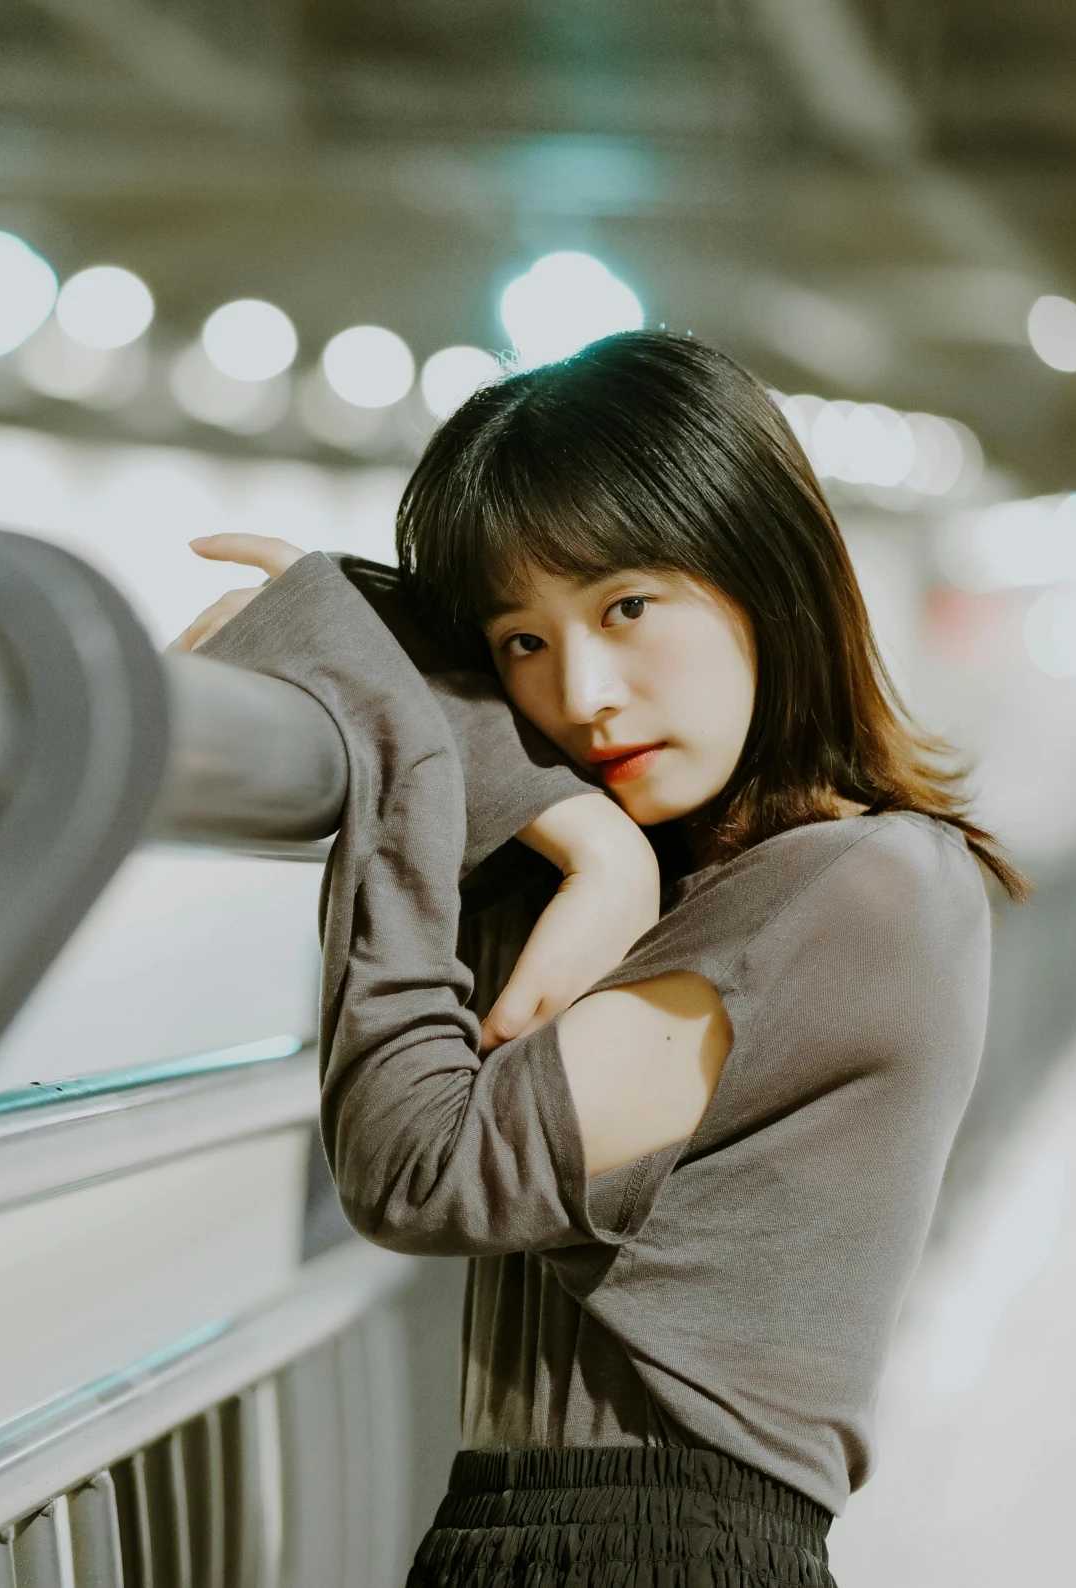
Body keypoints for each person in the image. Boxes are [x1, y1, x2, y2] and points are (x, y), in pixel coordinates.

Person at [171, 331, 1022, 1588]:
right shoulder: (651, 875)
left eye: (629, 606)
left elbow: (425, 1169)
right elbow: (395, 650)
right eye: (521, 640)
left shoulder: (859, 892)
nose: (584, 693)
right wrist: (589, 841)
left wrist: (396, 732)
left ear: (768, 578)